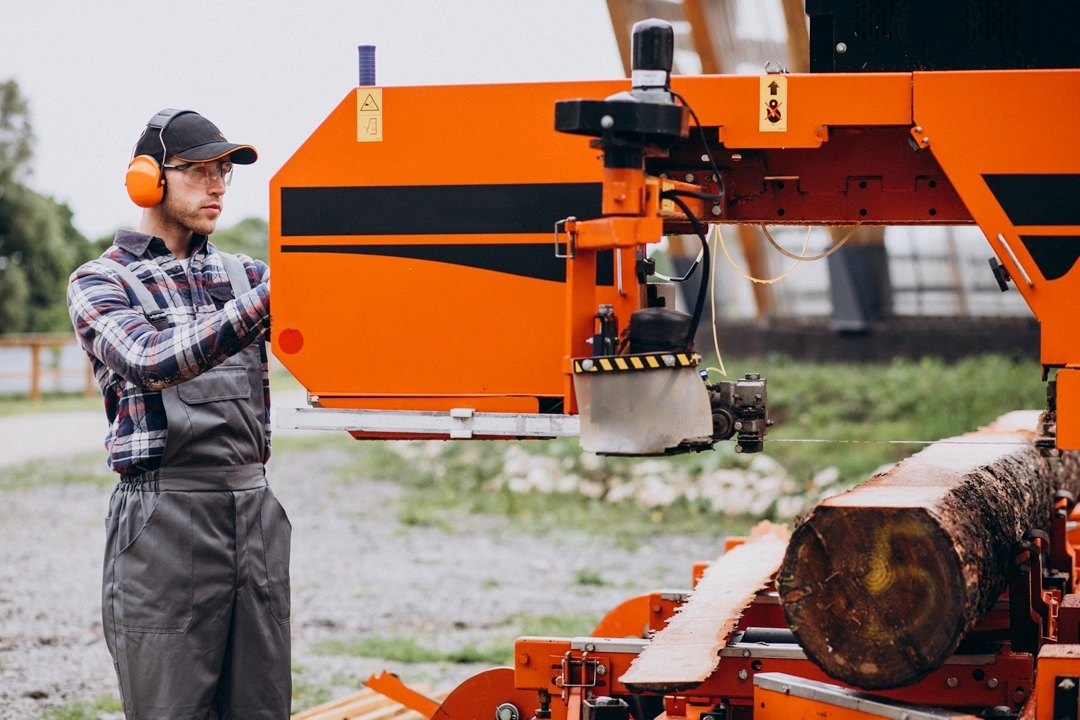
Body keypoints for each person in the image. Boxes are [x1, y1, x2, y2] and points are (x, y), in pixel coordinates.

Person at [66, 109, 290, 718]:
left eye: (224, 171)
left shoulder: (248, 275)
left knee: (261, 707)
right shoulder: (100, 282)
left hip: (253, 513)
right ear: (148, 180)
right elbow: (150, 358)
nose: (217, 184)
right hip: (164, 519)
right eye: (197, 171)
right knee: (171, 708)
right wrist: (274, 299)